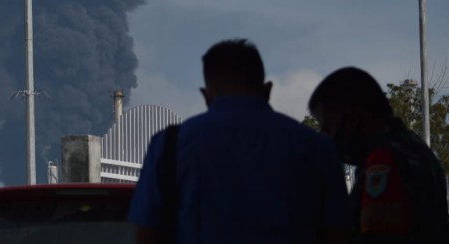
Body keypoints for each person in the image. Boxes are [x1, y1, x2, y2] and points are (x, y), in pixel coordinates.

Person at [128, 39, 352, 244]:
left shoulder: (169, 146)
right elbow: (338, 234)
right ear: (267, 90)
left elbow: (148, 234)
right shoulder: (317, 148)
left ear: (206, 95)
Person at [308, 67, 449, 242]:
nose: (326, 139)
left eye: (328, 129)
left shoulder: (383, 160)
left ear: (353, 118)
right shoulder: (415, 149)